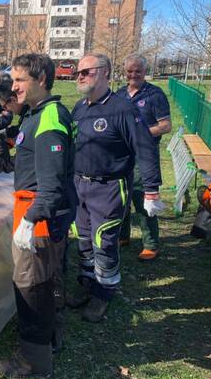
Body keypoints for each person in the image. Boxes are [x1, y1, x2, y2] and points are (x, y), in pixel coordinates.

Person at [0, 54, 77, 379]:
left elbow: (52, 181)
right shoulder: (36, 113)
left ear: (41, 79)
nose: (13, 87)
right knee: (48, 280)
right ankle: (53, 337)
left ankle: (34, 360)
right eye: (12, 80)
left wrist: (30, 220)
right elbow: (36, 165)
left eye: (19, 80)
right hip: (34, 210)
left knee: (31, 287)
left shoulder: (50, 117)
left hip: (38, 216)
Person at [70, 53, 164, 323]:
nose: (80, 76)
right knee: (84, 239)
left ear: (105, 73)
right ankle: (88, 284)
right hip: (80, 185)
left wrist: (151, 189)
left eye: (86, 71)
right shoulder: (79, 108)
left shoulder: (123, 108)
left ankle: (104, 293)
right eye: (78, 72)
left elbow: (145, 149)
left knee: (105, 241)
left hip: (109, 188)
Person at [116, 54, 172, 260]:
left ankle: (150, 244)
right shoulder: (119, 94)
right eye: (129, 71)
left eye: (137, 71)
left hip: (144, 156)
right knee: (121, 199)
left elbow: (166, 125)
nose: (133, 75)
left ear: (145, 72)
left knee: (143, 201)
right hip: (122, 156)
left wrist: (141, 134)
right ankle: (123, 236)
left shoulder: (155, 95)